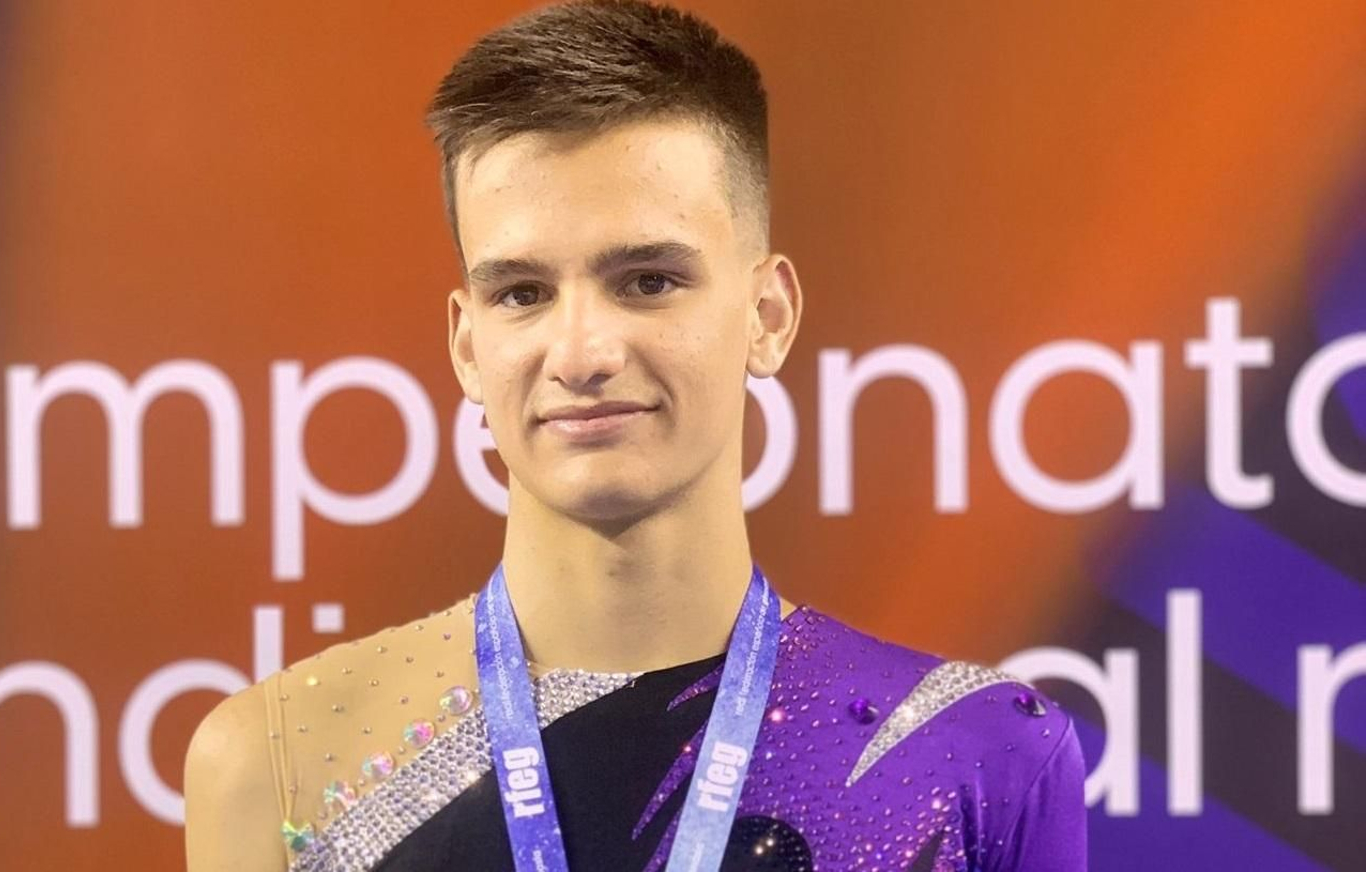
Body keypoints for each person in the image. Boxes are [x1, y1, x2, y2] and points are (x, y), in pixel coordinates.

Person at [184, 1, 1088, 869]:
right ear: (466, 346)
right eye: (523, 293)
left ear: (767, 316)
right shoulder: (274, 767)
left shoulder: (982, 760)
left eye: (648, 281)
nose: (582, 354)